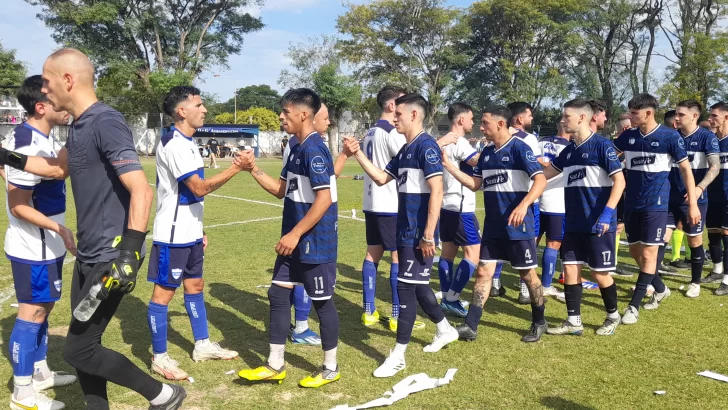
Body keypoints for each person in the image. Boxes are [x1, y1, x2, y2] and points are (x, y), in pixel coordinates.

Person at [0, 49, 186, 409]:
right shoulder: (79, 126)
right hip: (87, 255)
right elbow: (55, 169)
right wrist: (6, 156)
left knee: (77, 349)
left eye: (48, 82)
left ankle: (163, 396)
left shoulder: (106, 121)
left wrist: (129, 254)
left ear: (68, 80)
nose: (45, 90)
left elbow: (141, 189)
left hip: (111, 258)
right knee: (84, 349)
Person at [343, 93, 458, 378]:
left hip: (419, 235)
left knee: (406, 289)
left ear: (414, 116)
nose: (395, 117)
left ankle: (398, 356)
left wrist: (429, 234)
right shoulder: (406, 149)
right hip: (404, 230)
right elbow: (381, 178)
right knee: (417, 286)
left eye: (400, 114)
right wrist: (357, 153)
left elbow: (437, 190)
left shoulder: (426, 147)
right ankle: (445, 329)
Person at [236, 88, 341, 388]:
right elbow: (282, 191)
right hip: (293, 239)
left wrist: (295, 233)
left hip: (315, 241)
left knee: (322, 304)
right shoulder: (294, 148)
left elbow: (324, 200)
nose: (281, 116)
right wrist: (253, 168)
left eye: (286, 111)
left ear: (303, 114)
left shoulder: (315, 149)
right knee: (278, 294)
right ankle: (275, 364)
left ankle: (330, 368)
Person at [145, 86, 241, 382]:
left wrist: (199, 229)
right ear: (181, 111)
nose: (205, 110)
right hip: (172, 236)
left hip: (190, 233)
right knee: (163, 295)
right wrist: (236, 167)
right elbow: (198, 188)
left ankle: (201, 345)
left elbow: (191, 197)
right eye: (199, 104)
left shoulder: (188, 142)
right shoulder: (174, 144)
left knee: (196, 286)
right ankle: (159, 357)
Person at [442, 105, 548, 343]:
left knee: (528, 275)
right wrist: (449, 166)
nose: (481, 127)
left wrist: (523, 206)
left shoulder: (520, 149)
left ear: (500, 124)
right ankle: (470, 326)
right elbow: (474, 184)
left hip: (518, 228)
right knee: (483, 272)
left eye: (485, 123)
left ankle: (540, 321)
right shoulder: (487, 153)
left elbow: (540, 180)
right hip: (494, 227)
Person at [5, 75, 78, 410]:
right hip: (33, 245)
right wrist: (58, 229)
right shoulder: (25, 141)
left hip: (47, 244)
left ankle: (39, 373)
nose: (65, 106)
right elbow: (19, 205)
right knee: (32, 311)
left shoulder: (39, 137)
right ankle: (22, 392)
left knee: (45, 307)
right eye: (57, 100)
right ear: (41, 106)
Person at [613, 93, 699, 325]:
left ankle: (634, 306)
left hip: (657, 205)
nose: (630, 117)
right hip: (632, 204)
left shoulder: (669, 137)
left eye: (634, 113)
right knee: (635, 253)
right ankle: (660, 288)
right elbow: (610, 156)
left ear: (648, 113)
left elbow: (686, 171)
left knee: (650, 254)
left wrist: (692, 203)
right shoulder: (628, 137)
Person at [543, 99, 626, 337]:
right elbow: (546, 173)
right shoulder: (569, 151)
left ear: (581, 118)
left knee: (599, 273)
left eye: (566, 116)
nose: (562, 120)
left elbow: (620, 181)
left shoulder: (602, 146)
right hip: (574, 223)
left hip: (599, 223)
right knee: (570, 269)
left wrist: (608, 213)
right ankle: (573, 321)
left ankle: (612, 315)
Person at [282, 102, 348, 345]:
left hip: (308, 227)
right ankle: (299, 327)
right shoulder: (303, 147)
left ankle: (297, 333)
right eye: (326, 118)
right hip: (310, 230)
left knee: (294, 284)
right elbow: (321, 192)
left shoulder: (312, 146)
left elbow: (327, 180)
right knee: (297, 282)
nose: (328, 122)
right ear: (310, 117)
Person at [355, 86, 410, 331]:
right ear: (391, 105)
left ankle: (369, 311)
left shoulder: (371, 131)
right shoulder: (391, 132)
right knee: (397, 256)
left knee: (372, 253)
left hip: (371, 202)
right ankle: (398, 316)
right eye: (401, 103)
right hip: (391, 203)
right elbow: (409, 160)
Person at [661, 100, 719, 298]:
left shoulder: (706, 137)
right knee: (661, 238)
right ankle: (655, 283)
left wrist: (699, 188)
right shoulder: (671, 136)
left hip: (694, 200)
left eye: (681, 115)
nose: (676, 118)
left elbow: (715, 167)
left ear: (694, 116)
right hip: (669, 197)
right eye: (676, 114)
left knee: (694, 240)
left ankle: (695, 282)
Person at [435, 103, 481, 317]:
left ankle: (446, 296)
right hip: (462, 207)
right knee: (473, 254)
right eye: (471, 119)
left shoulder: (443, 142)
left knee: (447, 254)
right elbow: (477, 161)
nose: (473, 122)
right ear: (461, 120)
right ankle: (452, 298)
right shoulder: (460, 142)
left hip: (445, 205)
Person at [507, 101, 544, 304]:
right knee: (529, 243)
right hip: (528, 198)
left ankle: (495, 284)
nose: (531, 119)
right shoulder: (528, 138)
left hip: (503, 199)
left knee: (497, 246)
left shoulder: (499, 136)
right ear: (520, 118)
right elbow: (538, 164)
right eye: (529, 115)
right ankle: (524, 290)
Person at [536, 122, 570, 299]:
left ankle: (525, 283)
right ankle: (546, 285)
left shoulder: (541, 142)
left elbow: (535, 160)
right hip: (557, 200)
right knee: (553, 244)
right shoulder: (570, 147)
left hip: (536, 195)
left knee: (531, 241)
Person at [704, 102, 728, 294]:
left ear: (726, 118)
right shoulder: (711, 141)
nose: (710, 120)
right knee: (712, 233)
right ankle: (717, 270)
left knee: (726, 237)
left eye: (714, 116)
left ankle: (727, 279)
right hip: (713, 194)